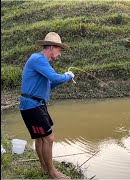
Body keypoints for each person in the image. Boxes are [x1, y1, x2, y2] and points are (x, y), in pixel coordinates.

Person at [20, 32, 75, 179]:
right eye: (59, 51)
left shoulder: (40, 62)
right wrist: (68, 75)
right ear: (51, 47)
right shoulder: (38, 59)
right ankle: (52, 173)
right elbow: (55, 77)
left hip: (35, 105)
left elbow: (51, 84)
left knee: (40, 138)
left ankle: (45, 168)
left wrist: (64, 78)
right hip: (33, 106)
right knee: (49, 139)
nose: (59, 55)